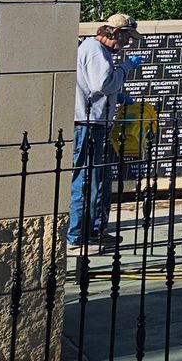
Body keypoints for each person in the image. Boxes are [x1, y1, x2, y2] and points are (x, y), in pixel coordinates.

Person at [68, 15, 134, 252]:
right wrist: (126, 68)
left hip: (93, 122)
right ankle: (79, 236)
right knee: (87, 179)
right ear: (114, 33)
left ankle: (94, 231)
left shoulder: (96, 50)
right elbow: (103, 84)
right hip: (89, 124)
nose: (128, 42)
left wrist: (118, 97)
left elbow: (96, 87)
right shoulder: (96, 51)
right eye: (126, 36)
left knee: (96, 179)